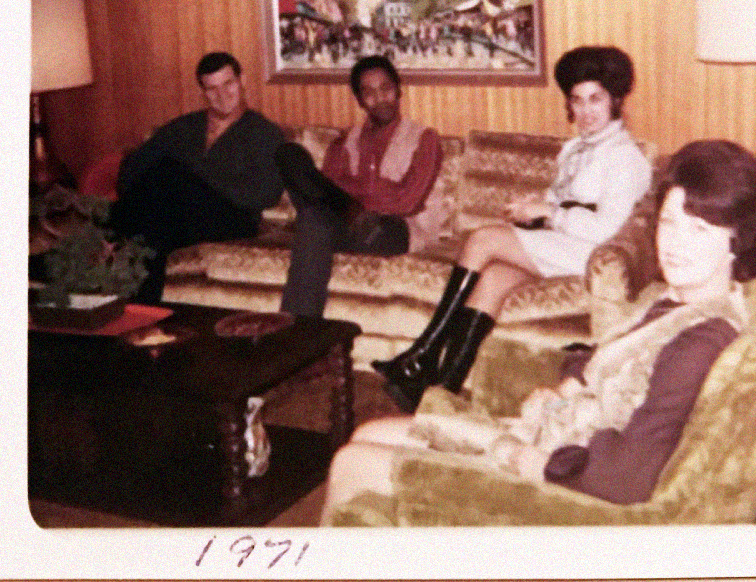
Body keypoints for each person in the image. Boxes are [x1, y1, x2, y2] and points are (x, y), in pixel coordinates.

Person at [320, 139, 756, 521]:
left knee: (351, 463)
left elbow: (629, 476)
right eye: (669, 223)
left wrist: (531, 460)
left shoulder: (703, 337)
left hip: (555, 474)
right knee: (368, 432)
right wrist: (565, 386)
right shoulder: (676, 297)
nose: (674, 244)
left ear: (737, 242)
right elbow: (613, 355)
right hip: (551, 431)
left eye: (699, 231)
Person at [372, 45, 652, 412]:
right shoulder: (574, 150)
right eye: (577, 101)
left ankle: (422, 351)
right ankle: (442, 389)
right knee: (492, 279)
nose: (585, 112)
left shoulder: (625, 157)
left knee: (482, 239)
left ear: (615, 100)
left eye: (595, 100)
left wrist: (549, 213)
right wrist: (532, 212)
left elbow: (603, 230)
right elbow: (559, 201)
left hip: (589, 254)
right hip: (561, 242)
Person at [109, 51, 286, 304]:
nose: (222, 95)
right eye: (212, 89)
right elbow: (130, 170)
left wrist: (196, 175)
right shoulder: (184, 128)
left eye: (228, 84)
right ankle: (143, 311)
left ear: (242, 81)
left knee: (168, 176)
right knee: (156, 217)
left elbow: (266, 194)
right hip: (176, 217)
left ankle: (111, 241)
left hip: (232, 220)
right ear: (203, 91)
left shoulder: (263, 133)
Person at [274, 55, 444, 317]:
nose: (380, 99)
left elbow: (407, 202)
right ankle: (303, 335)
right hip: (347, 225)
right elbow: (327, 189)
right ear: (360, 100)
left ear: (399, 89)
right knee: (290, 156)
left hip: (393, 230)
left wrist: (352, 194)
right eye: (370, 93)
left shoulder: (425, 139)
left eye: (386, 89)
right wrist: (371, 191)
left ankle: (296, 332)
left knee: (314, 216)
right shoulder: (345, 141)